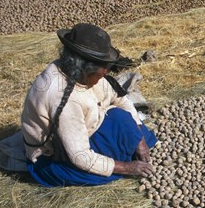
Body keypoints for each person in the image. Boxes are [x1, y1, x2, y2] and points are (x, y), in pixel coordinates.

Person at [21, 23, 157, 187]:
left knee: (124, 119)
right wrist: (128, 168)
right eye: (104, 68)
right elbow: (80, 156)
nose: (107, 72)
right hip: (56, 156)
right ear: (86, 67)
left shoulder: (81, 72)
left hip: (85, 129)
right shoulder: (63, 98)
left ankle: (130, 150)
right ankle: (123, 161)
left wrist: (140, 141)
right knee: (102, 168)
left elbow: (120, 99)